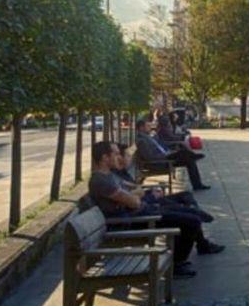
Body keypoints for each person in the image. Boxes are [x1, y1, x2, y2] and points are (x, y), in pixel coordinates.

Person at [88, 141, 223, 279]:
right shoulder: (101, 181)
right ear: (105, 157)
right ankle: (177, 264)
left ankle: (198, 219)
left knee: (187, 212)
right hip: (132, 221)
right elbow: (134, 201)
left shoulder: (109, 175)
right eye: (115, 153)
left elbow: (134, 192)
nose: (119, 156)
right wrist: (136, 195)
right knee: (191, 221)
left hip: (141, 212)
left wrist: (135, 195)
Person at [112, 144, 213, 223]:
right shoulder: (112, 178)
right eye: (128, 155)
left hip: (146, 203)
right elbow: (133, 200)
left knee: (186, 198)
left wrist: (148, 192)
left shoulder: (121, 174)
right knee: (190, 218)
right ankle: (194, 211)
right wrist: (150, 195)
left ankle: (194, 210)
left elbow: (135, 191)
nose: (131, 157)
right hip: (145, 210)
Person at [134, 118, 210, 190]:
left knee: (189, 160)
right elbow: (149, 157)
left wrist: (169, 152)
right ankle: (194, 157)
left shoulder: (147, 136)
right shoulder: (141, 140)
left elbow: (160, 147)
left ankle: (197, 185)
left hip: (165, 157)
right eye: (147, 126)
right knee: (183, 153)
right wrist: (166, 155)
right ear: (141, 128)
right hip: (160, 162)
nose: (150, 127)